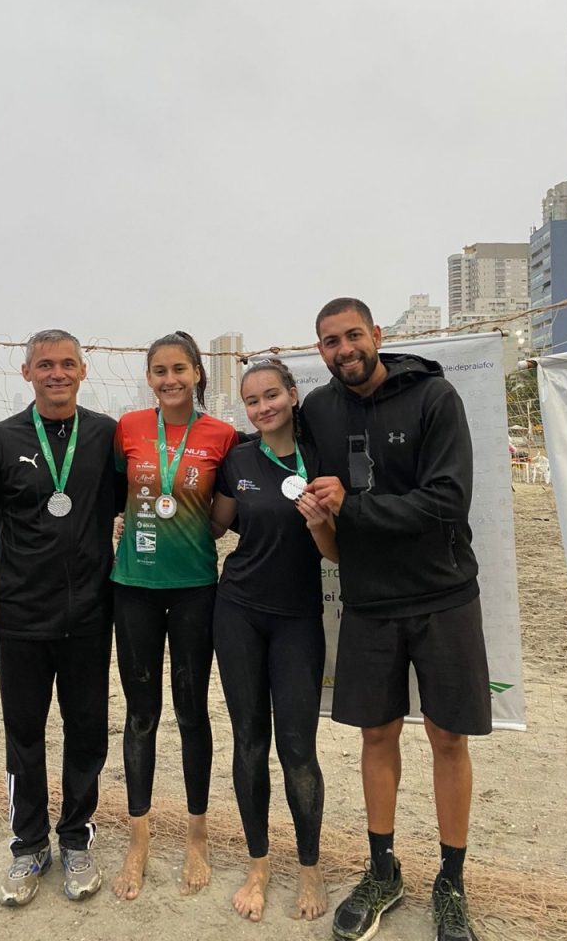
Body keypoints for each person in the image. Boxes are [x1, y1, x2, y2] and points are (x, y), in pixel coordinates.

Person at [301, 298, 491, 941]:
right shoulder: (319, 411)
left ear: (377, 335)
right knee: (375, 737)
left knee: (448, 739)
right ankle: (383, 871)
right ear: (320, 350)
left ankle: (452, 882)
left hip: (443, 595)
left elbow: (446, 501)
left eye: (353, 335)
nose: (344, 348)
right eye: (330, 341)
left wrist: (350, 508)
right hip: (369, 602)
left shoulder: (435, 397)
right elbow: (291, 473)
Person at [0, 329, 124, 908]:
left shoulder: (104, 436)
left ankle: (75, 838)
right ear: (26, 373)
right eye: (45, 364)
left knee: (87, 734)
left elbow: (142, 498)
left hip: (91, 619)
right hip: (21, 619)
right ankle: (28, 846)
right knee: (24, 737)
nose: (57, 373)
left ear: (83, 371)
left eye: (67, 363)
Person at [110, 330, 238, 900]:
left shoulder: (223, 435)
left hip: (194, 589)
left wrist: (186, 530)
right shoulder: (129, 428)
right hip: (132, 587)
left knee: (191, 713)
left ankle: (196, 835)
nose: (169, 380)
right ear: (150, 377)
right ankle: (138, 839)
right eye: (159, 370)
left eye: (179, 369)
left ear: (197, 373)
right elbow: (116, 495)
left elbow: (223, 514)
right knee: (141, 715)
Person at [210, 359, 337, 924]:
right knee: (248, 743)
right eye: (252, 400)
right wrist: (136, 514)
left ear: (292, 394)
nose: (263, 407)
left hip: (298, 619)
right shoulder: (237, 458)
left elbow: (336, 553)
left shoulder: (322, 456)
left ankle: (309, 867)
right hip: (235, 610)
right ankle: (258, 864)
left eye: (271, 395)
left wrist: (316, 521)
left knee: (298, 750)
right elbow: (213, 525)